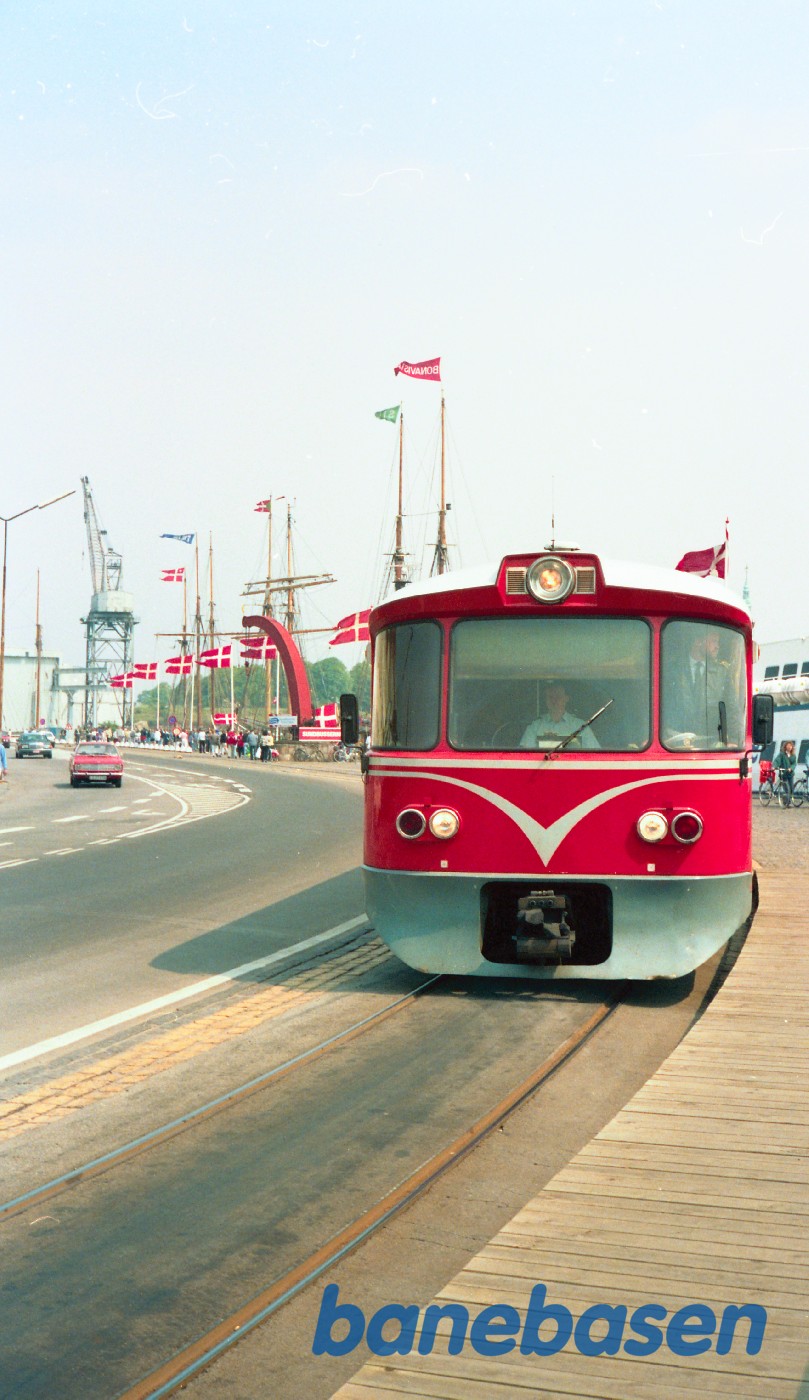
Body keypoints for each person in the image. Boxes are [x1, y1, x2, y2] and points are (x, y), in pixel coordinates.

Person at [664, 627, 742, 746]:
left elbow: (732, 708)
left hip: (709, 744)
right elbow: (660, 704)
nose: (717, 646)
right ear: (698, 642)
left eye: (718, 642)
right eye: (713, 641)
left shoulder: (721, 673)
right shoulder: (673, 670)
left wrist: (733, 741)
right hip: (675, 743)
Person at [519, 681, 600, 751]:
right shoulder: (534, 727)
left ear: (566, 698)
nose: (554, 701)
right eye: (550, 697)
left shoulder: (581, 727)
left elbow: (595, 755)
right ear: (546, 700)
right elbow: (524, 756)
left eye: (558, 696)